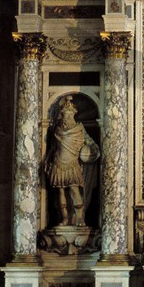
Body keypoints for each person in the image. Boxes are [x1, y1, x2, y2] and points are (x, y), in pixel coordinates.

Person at [43, 95, 99, 227]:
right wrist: (48, 161)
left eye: (68, 114)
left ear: (72, 115)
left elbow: (92, 144)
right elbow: (52, 148)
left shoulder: (79, 130)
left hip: (73, 164)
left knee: (74, 190)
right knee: (60, 192)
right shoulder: (57, 130)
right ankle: (64, 219)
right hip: (58, 163)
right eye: (64, 114)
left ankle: (79, 218)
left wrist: (92, 152)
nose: (65, 117)